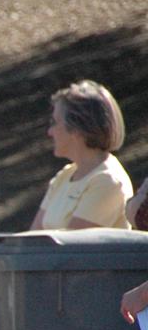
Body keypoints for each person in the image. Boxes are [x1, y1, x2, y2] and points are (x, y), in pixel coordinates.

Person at [30, 80, 132, 230]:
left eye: (55, 122)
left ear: (77, 130)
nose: (50, 132)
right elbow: (32, 237)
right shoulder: (66, 175)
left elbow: (73, 242)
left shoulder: (107, 181)